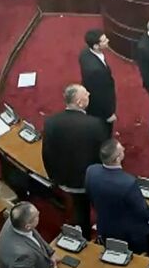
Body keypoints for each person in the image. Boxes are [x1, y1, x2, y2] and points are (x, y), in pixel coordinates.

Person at [42, 84, 104, 234]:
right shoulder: (95, 124)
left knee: (79, 209)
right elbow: (101, 155)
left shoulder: (51, 122)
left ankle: (83, 232)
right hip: (88, 181)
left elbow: (47, 154)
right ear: (79, 103)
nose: (89, 94)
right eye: (85, 94)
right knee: (93, 207)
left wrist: (54, 178)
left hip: (64, 180)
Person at [85, 139, 149, 253]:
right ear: (117, 158)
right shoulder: (128, 182)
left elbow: (91, 196)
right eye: (121, 150)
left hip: (105, 227)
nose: (124, 149)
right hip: (130, 235)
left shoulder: (91, 171)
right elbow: (142, 210)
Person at [0, 202, 56, 268]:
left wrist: (50, 252)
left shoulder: (16, 220)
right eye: (36, 215)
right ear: (27, 226)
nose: (39, 212)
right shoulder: (23, 255)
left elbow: (33, 232)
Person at [79, 29, 116, 134]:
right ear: (95, 46)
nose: (108, 40)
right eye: (104, 40)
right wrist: (108, 114)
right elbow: (100, 95)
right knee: (104, 129)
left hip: (91, 92)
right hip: (100, 107)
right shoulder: (96, 70)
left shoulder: (85, 52)